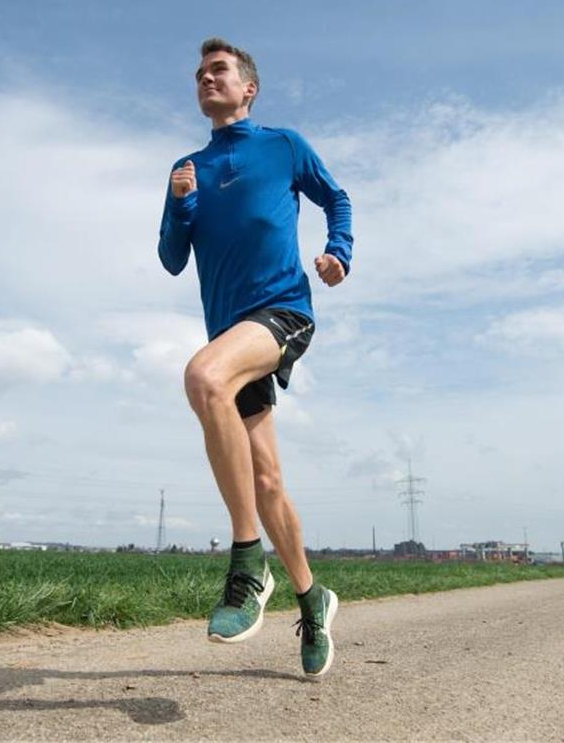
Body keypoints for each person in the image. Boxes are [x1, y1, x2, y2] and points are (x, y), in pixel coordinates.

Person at [157, 37, 353, 677]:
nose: (205, 78)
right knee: (266, 478)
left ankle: (247, 565)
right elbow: (171, 257)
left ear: (249, 89)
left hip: (283, 310)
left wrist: (338, 251)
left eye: (219, 71)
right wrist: (181, 202)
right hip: (232, 331)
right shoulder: (188, 166)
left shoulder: (284, 146)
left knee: (202, 376)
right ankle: (311, 594)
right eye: (199, 74)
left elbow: (337, 199)